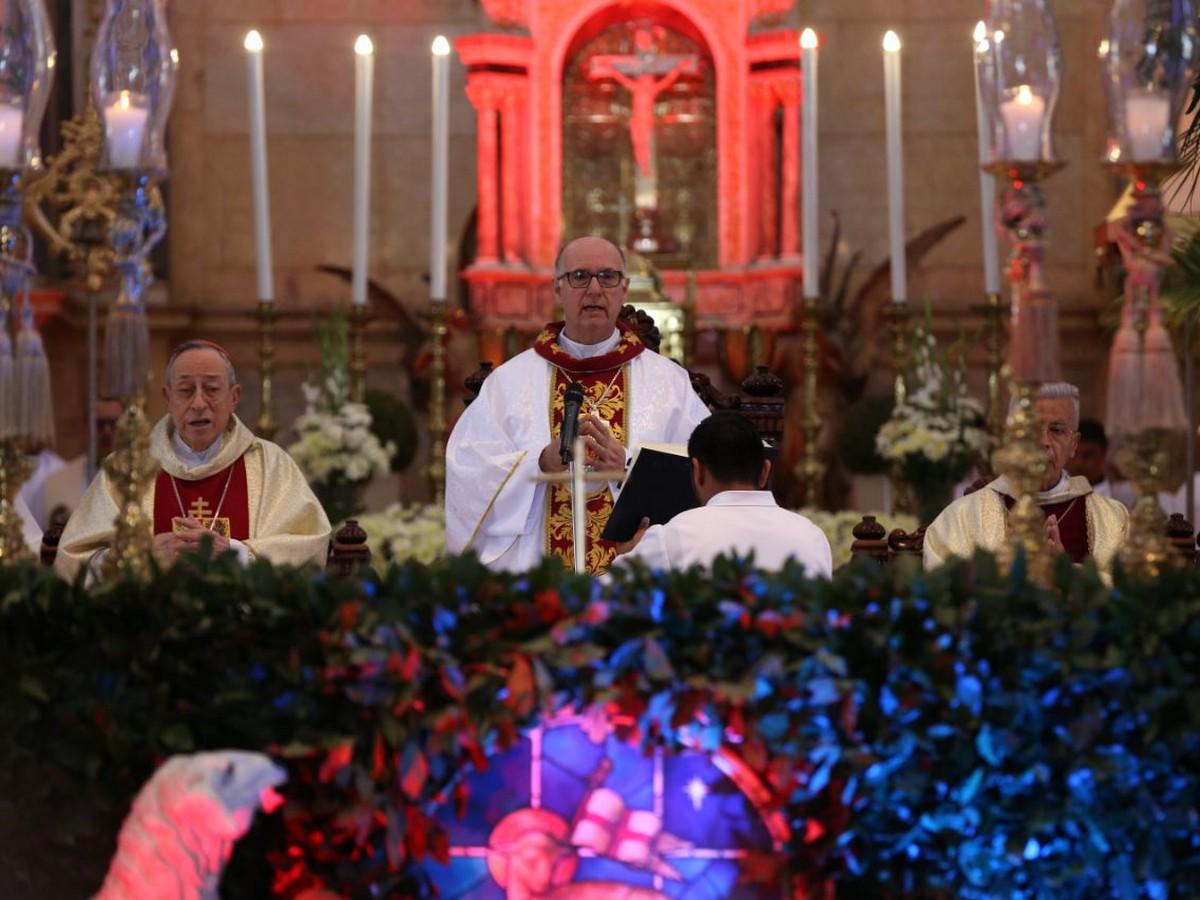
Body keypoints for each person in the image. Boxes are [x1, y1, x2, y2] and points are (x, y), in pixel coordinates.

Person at [445, 235, 710, 574]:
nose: (595, 289)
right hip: (535, 579)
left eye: (608, 276)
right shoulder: (509, 383)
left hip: (640, 574)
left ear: (624, 288)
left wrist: (627, 466)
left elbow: (703, 473)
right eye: (580, 276)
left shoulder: (669, 384)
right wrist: (538, 463)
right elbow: (468, 468)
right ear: (558, 289)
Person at [55, 340, 331, 579]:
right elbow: (73, 561)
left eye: (211, 389)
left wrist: (234, 554)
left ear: (234, 397)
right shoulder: (126, 468)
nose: (199, 403)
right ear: (168, 397)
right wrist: (141, 557)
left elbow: (310, 548)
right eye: (186, 391)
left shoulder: (271, 465)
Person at [923, 382, 1129, 574]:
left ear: (1073, 444)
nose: (1043, 442)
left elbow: (1131, 595)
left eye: (1056, 430)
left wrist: (1064, 571)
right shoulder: (963, 517)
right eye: (1031, 430)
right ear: (1011, 438)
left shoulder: (1112, 520)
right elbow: (944, 590)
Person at [615, 411, 832, 575]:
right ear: (765, 470)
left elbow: (601, 601)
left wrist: (627, 555)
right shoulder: (812, 537)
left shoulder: (671, 537)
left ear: (698, 470)